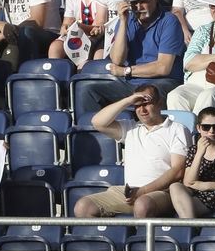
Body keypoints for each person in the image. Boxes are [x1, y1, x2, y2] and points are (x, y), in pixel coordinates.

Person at [73, 85, 190, 219]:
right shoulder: (130, 128)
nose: (142, 110)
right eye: (137, 105)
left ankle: (140, 240)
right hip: (129, 192)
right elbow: (98, 122)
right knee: (83, 207)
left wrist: (143, 191)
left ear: (160, 103)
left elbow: (177, 171)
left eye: (146, 104)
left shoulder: (177, 129)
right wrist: (128, 100)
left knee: (142, 204)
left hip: (162, 192)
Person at [75, 0, 184, 120]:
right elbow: (117, 59)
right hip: (130, 83)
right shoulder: (126, 20)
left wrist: (127, 71)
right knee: (85, 90)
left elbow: (163, 67)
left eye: (143, 0)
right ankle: (94, 137)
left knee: (149, 92)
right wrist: (124, 22)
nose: (139, 7)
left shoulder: (169, 21)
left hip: (162, 81)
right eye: (134, 2)